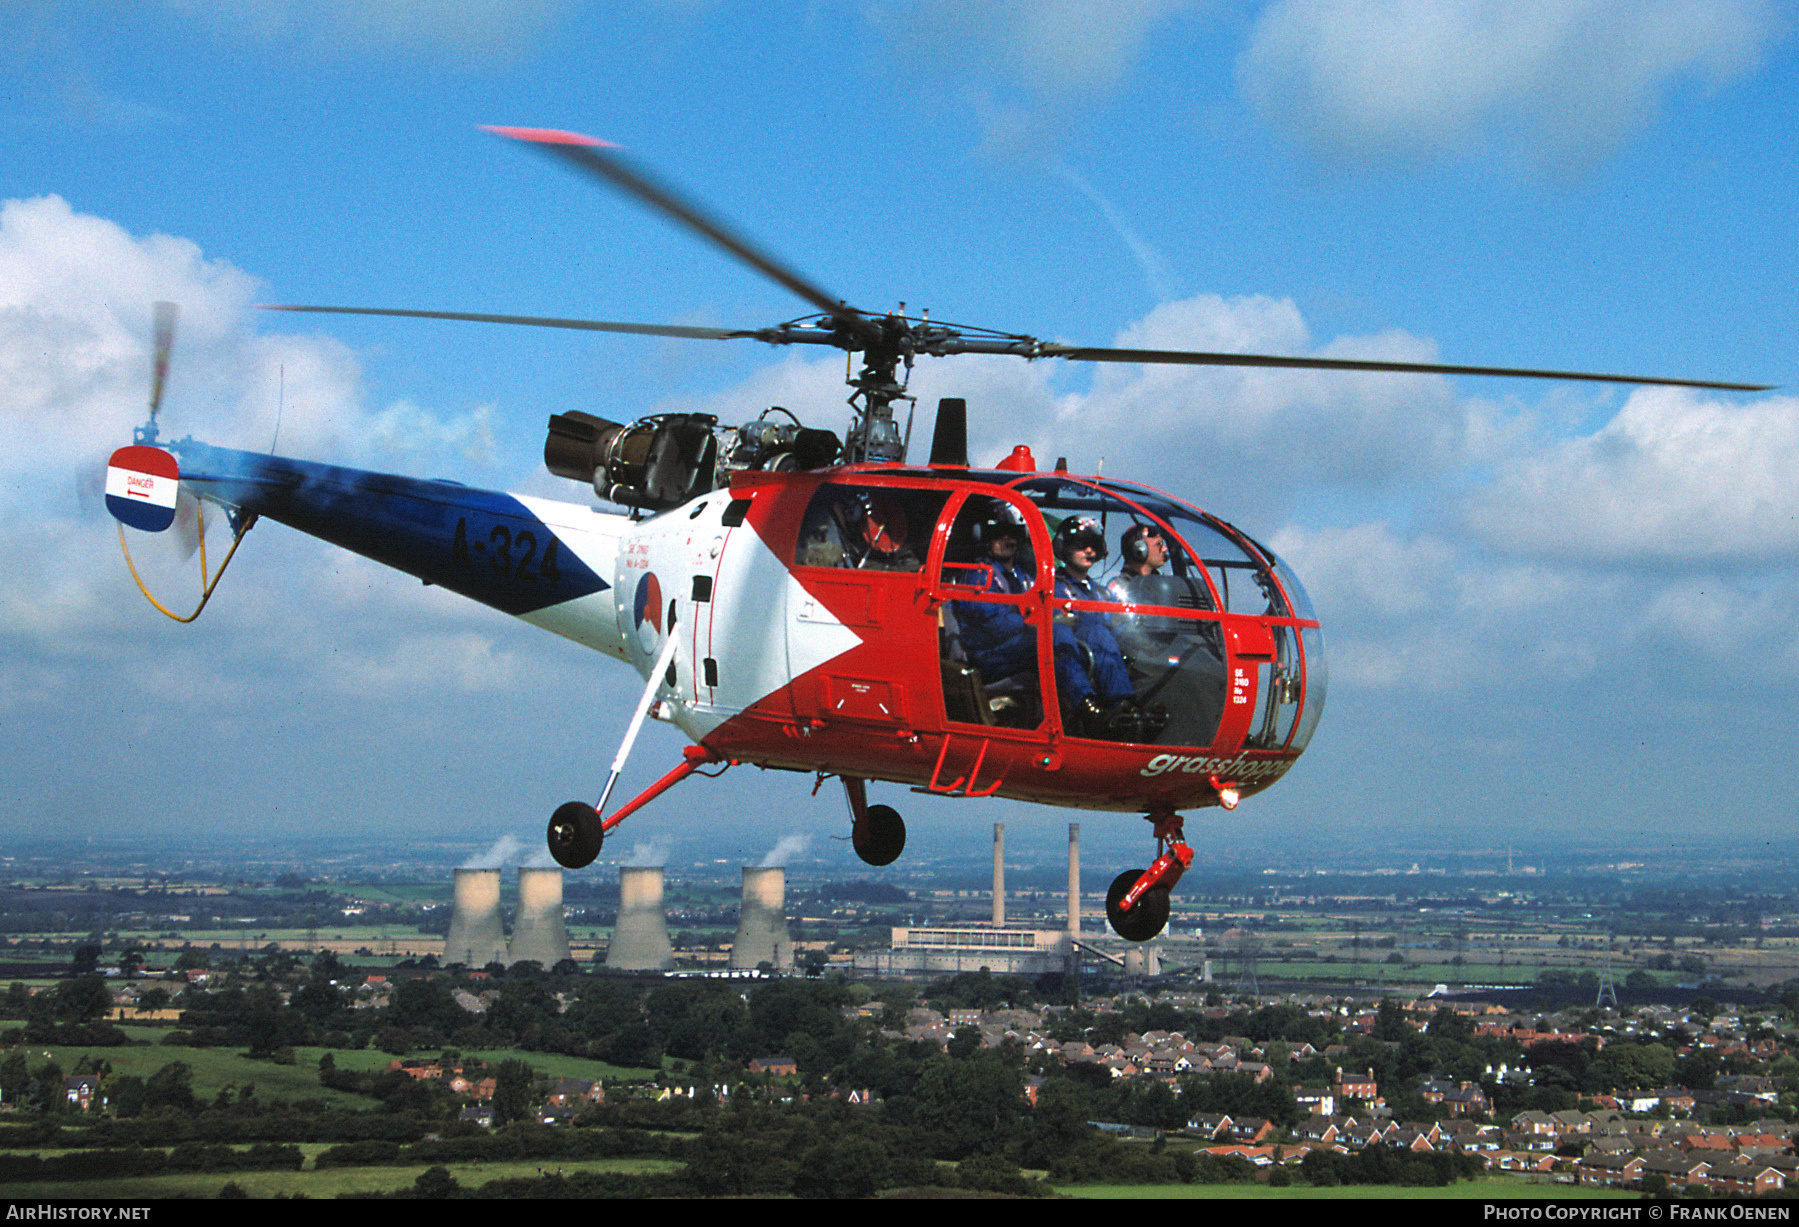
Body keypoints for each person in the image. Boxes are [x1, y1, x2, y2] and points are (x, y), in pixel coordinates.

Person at [1051, 516, 1160, 739]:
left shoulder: (1101, 593)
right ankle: (1093, 706)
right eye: (1080, 544)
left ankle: (1129, 706)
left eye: (1093, 544)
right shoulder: (1054, 586)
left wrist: (1144, 645)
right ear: (1064, 547)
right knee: (1094, 633)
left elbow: (1117, 625)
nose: (1088, 550)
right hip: (1069, 653)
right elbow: (1056, 626)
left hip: (1099, 655)